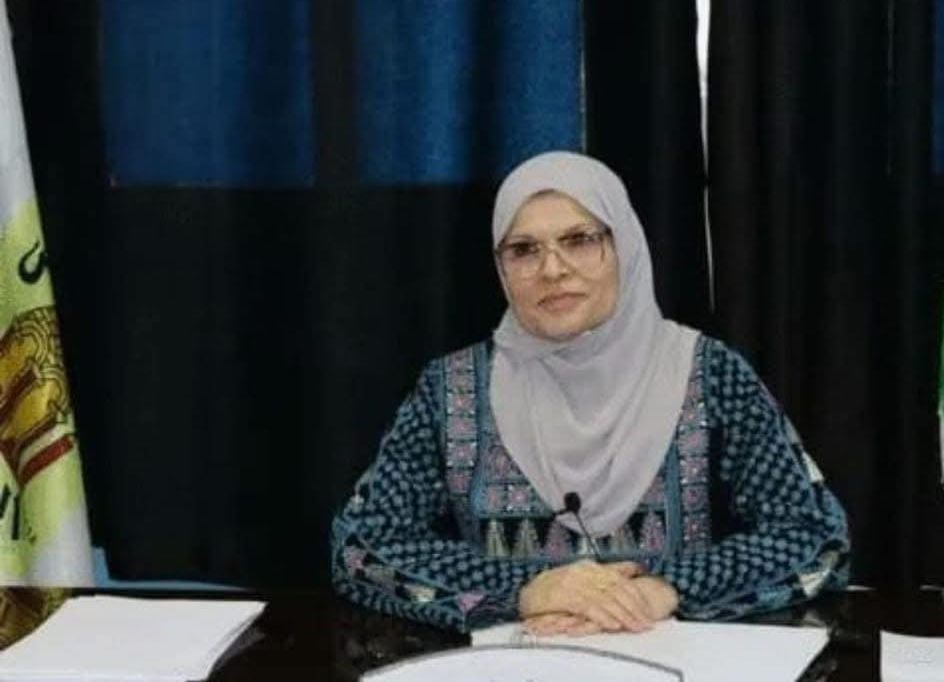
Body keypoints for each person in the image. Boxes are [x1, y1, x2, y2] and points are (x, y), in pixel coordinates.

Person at [331, 151, 850, 635]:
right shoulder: (451, 389)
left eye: (579, 239)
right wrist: (523, 590)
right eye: (524, 250)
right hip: (509, 680)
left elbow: (813, 535)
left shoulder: (709, 374)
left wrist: (665, 589)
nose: (553, 270)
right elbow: (362, 546)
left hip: (665, 667)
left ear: (623, 245)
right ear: (500, 267)